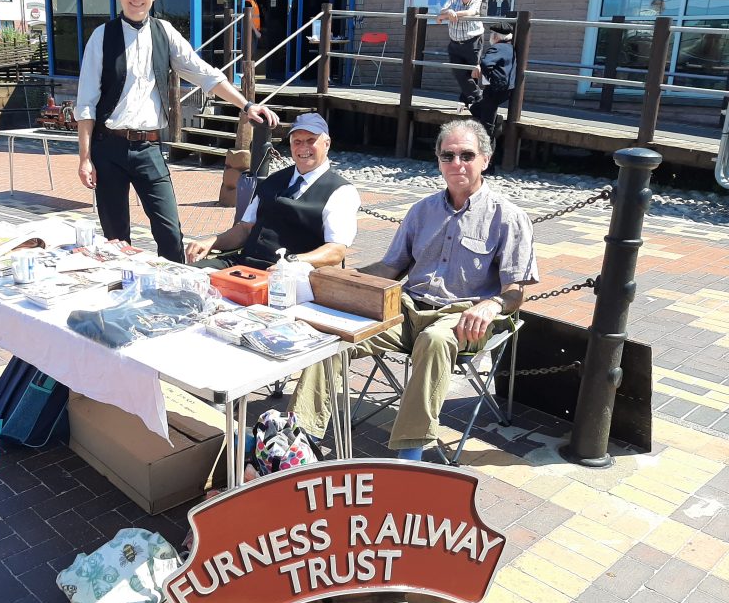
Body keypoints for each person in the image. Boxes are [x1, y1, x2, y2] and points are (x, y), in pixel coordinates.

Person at [287, 119, 538, 455]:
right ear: (438, 161)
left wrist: (492, 305)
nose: (457, 164)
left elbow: (516, 290)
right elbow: (391, 268)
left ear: (485, 160)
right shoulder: (422, 211)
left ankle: (410, 455)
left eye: (466, 155)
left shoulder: (507, 217)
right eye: (447, 156)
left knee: (433, 340)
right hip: (409, 309)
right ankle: (300, 438)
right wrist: (342, 279)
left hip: (464, 317)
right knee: (335, 335)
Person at [76, 0, 279, 263]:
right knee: (115, 237)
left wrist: (246, 104)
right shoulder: (102, 37)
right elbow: (86, 103)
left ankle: (174, 294)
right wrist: (84, 158)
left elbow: (205, 73)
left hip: (149, 147)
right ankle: (121, 299)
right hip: (109, 148)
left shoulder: (165, 33)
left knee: (170, 232)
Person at [184, 112, 360, 270]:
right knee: (186, 276)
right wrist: (211, 242)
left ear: (327, 144)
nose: (303, 148)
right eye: (297, 142)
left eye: (310, 140)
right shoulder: (274, 180)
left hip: (290, 275)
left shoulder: (341, 192)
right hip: (243, 263)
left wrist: (292, 262)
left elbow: (336, 251)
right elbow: (245, 229)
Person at [436, 0, 485, 110]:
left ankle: (469, 101)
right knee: (459, 72)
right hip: (455, 42)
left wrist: (453, 14)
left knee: (472, 73)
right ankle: (479, 98)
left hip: (473, 41)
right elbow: (442, 11)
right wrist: (448, 12)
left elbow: (471, 12)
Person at [470, 22, 517, 143]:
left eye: (491, 34)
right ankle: (497, 122)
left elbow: (486, 63)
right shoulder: (511, 48)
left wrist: (488, 76)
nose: (490, 37)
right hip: (507, 90)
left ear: (496, 37)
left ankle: (488, 147)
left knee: (487, 125)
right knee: (476, 108)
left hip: (495, 89)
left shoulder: (496, 48)